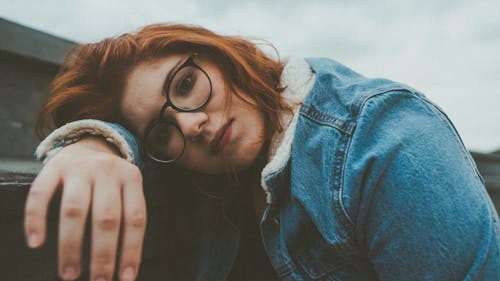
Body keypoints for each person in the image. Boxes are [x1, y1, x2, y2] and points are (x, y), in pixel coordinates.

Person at [24, 23, 500, 281]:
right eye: (163, 132)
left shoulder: (384, 141)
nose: (192, 125)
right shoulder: (199, 173)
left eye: (186, 84)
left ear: (221, 54)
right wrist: (94, 143)